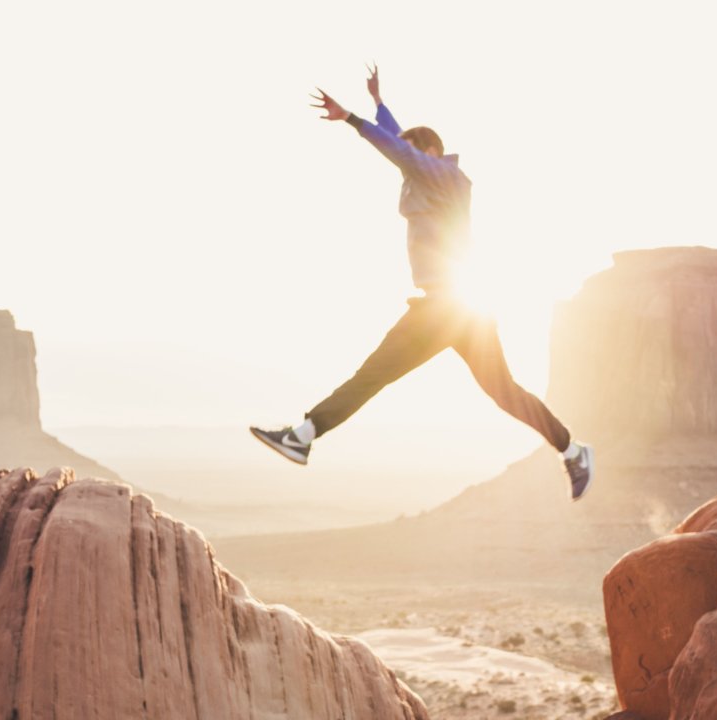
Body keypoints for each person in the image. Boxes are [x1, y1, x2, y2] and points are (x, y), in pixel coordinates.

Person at [251, 65, 594, 501]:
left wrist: (353, 119)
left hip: (447, 307)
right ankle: (573, 450)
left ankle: (303, 435)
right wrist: (379, 105)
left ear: (432, 150)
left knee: (374, 373)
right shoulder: (430, 176)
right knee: (504, 393)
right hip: (461, 308)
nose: (402, 163)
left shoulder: (442, 175)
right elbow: (401, 145)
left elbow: (401, 151)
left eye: (411, 154)